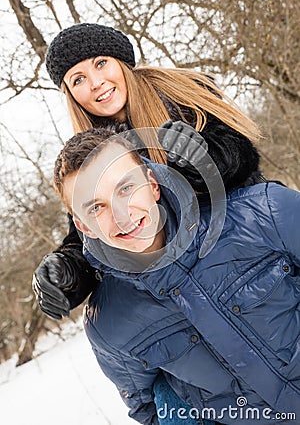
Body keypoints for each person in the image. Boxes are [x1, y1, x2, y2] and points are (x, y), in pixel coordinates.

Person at [52, 125, 300, 425]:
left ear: (152, 183)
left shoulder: (264, 212)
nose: (121, 214)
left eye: (125, 188)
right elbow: (149, 411)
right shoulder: (108, 324)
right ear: (84, 227)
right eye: (96, 207)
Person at [33, 22, 263, 320]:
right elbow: (90, 234)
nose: (96, 83)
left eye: (101, 64)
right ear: (72, 95)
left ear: (121, 61)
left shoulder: (181, 95)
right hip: (187, 296)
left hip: (248, 244)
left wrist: (200, 162)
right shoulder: (90, 152)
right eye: (78, 79)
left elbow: (240, 156)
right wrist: (68, 271)